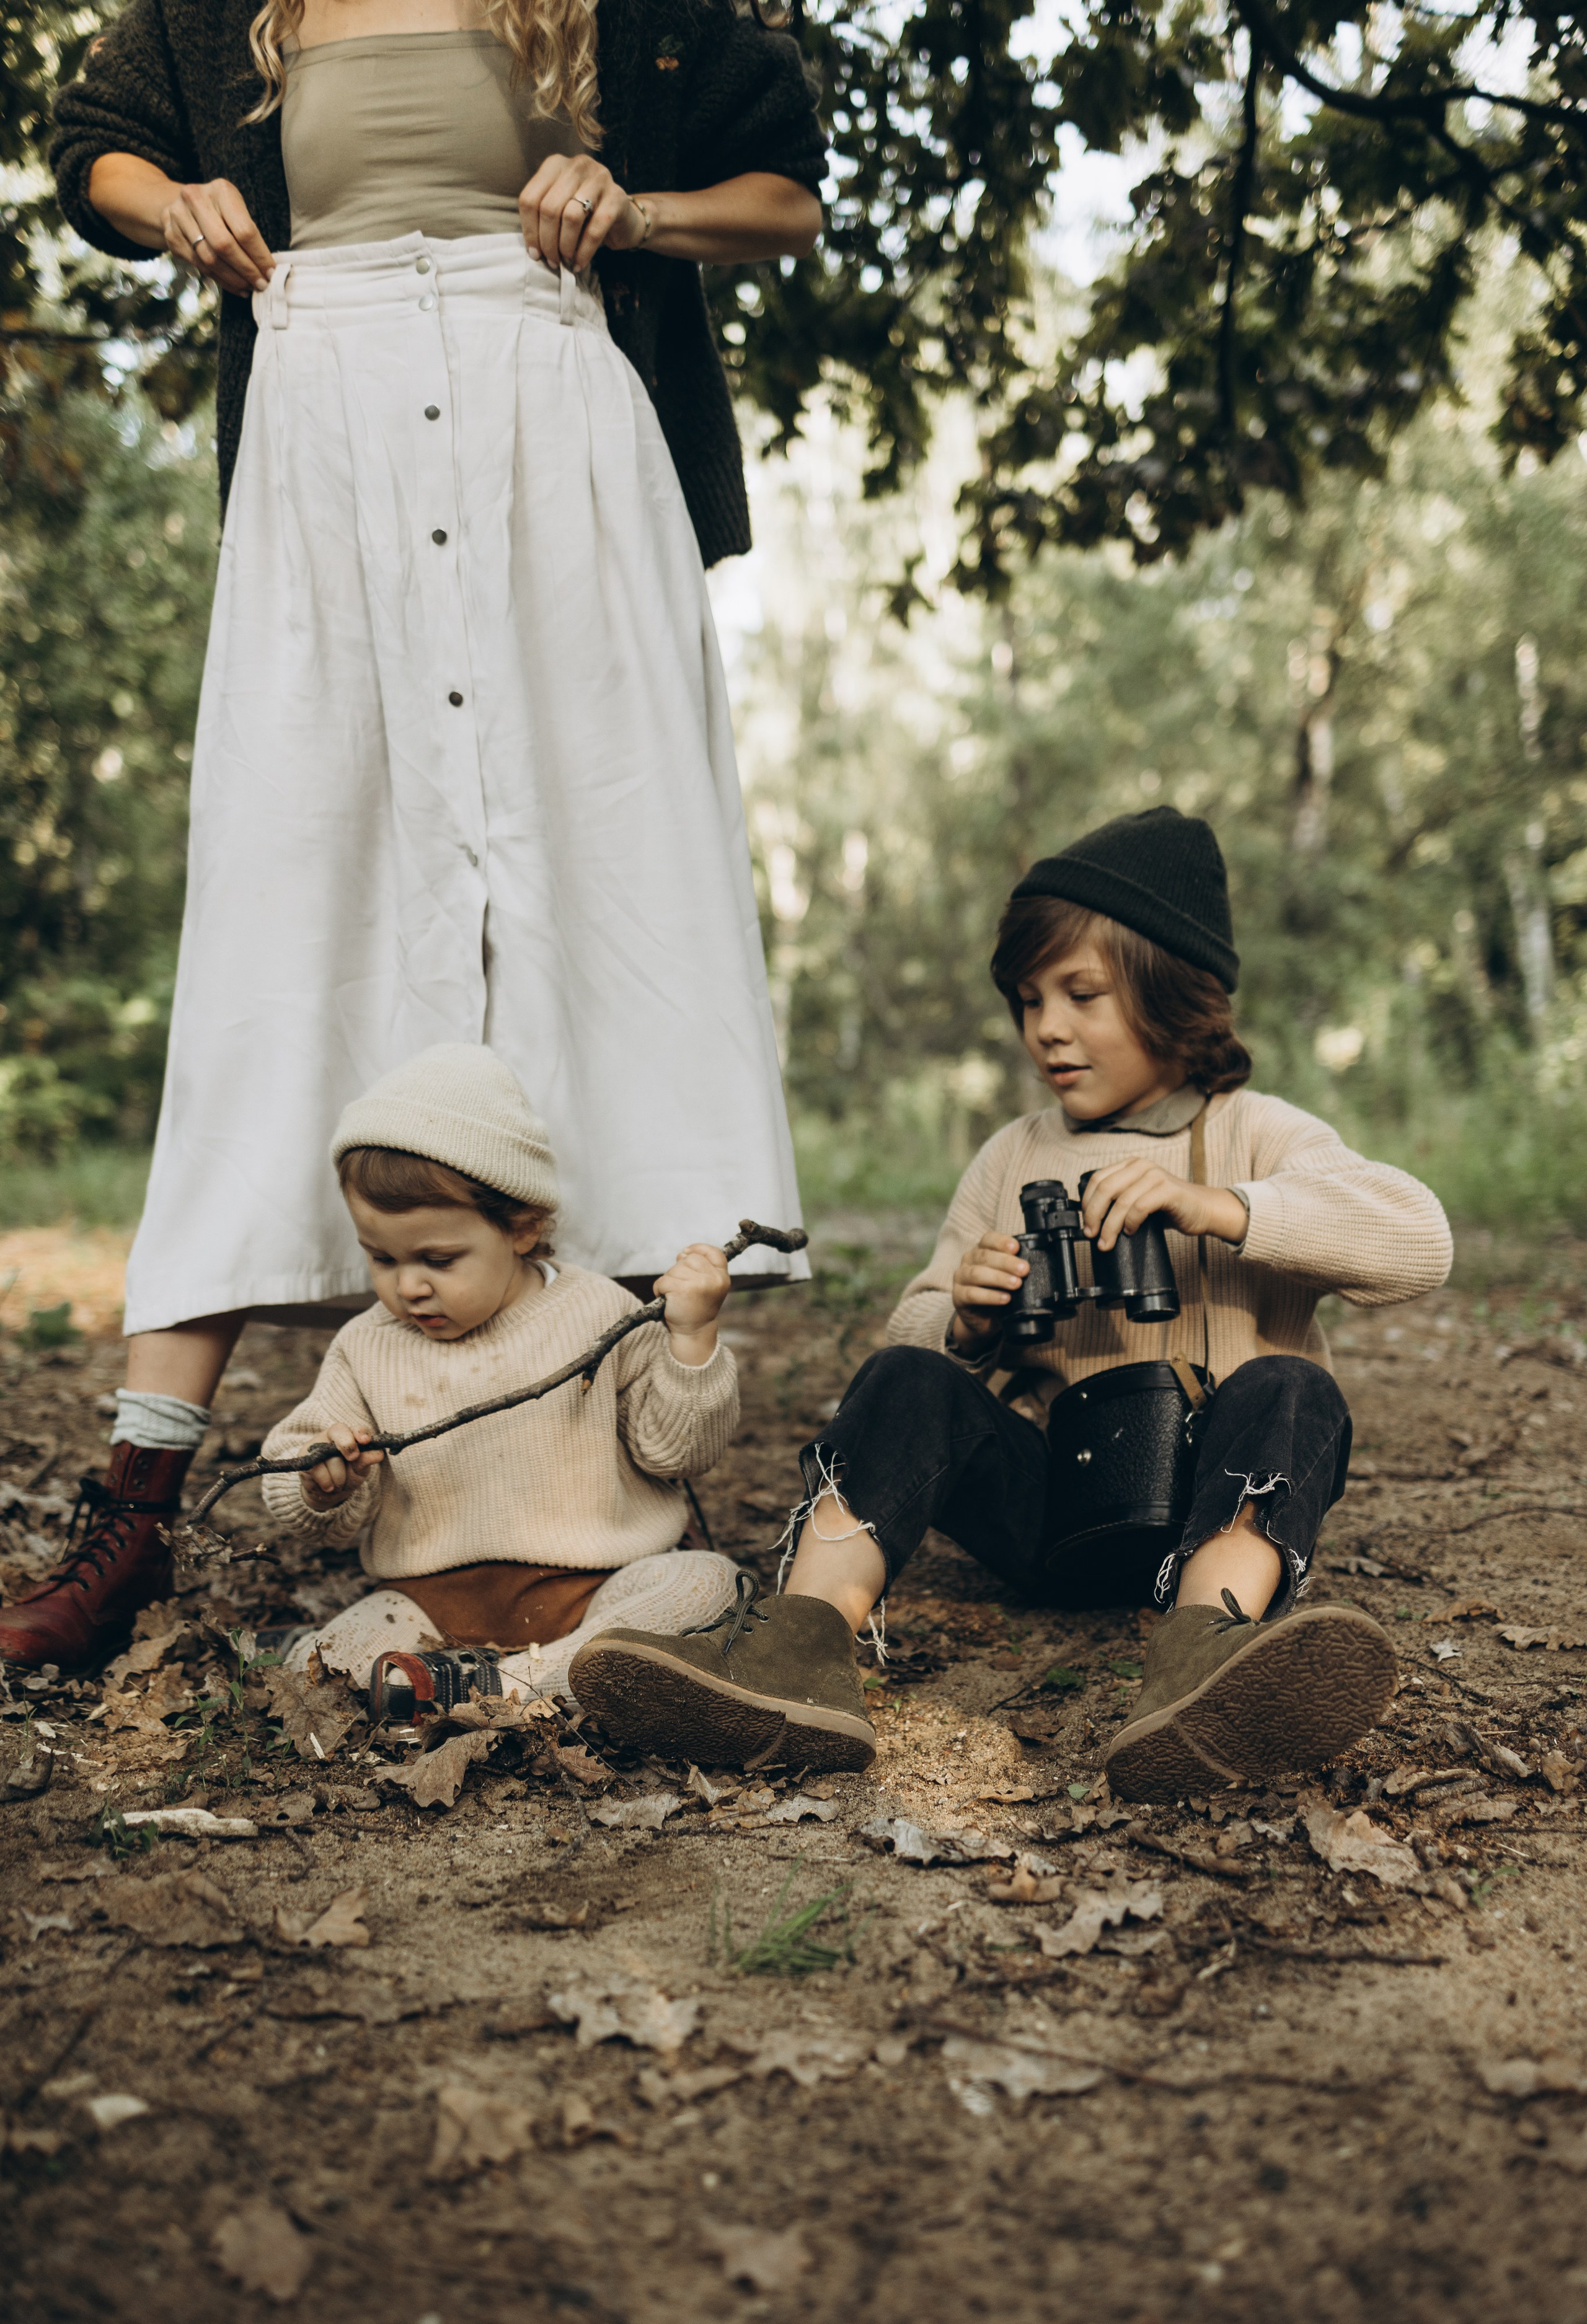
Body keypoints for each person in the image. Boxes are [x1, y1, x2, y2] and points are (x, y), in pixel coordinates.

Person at [15, 0, 821, 1669]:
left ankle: (611, 1472)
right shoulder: (218, 9)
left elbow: (785, 189)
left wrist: (635, 210)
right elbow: (86, 145)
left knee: (615, 915)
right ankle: (136, 1513)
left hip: (565, 447)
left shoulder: (626, 8)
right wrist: (167, 205)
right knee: (281, 927)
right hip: (325, 454)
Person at [567, 806, 1454, 1795]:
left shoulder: (1254, 1132)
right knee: (905, 1373)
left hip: (1208, 1505)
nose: (1048, 1030)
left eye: (1082, 995)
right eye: (1029, 1001)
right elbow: (911, 1350)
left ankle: (1204, 1653)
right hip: (1057, 1515)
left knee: (1294, 1388)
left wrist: (1222, 1208)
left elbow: (1417, 1240)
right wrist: (967, 1322)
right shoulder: (1014, 1157)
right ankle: (800, 1650)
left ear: (1173, 995)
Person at [250, 1043, 743, 1699]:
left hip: (594, 1593)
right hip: (426, 1610)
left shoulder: (598, 1311)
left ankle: (514, 1683)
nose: (409, 1287)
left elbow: (675, 1454)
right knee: (324, 1669)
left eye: (438, 1259)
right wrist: (322, 1480)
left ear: (521, 1227)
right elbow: (299, 1475)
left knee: (710, 1585)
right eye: (383, 1259)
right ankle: (527, 1685)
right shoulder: (367, 1344)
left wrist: (692, 1339)